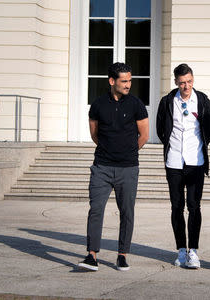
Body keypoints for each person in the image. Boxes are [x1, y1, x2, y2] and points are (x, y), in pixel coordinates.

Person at [78, 62, 149, 272]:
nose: (128, 85)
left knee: (127, 212)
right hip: (102, 167)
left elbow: (144, 135)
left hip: (128, 168)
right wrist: (109, 151)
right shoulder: (98, 104)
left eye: (130, 80)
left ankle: (122, 255)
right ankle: (92, 255)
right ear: (112, 81)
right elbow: (94, 134)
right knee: (96, 209)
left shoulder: (136, 104)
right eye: (124, 81)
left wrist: (127, 152)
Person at [156, 63, 210, 269]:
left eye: (189, 81)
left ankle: (194, 251)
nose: (186, 86)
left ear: (193, 80)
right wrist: (172, 146)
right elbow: (160, 129)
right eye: (182, 83)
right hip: (173, 161)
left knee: (194, 205)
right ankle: (181, 249)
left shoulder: (203, 100)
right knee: (176, 206)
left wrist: (198, 146)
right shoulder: (166, 102)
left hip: (196, 161)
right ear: (176, 82)